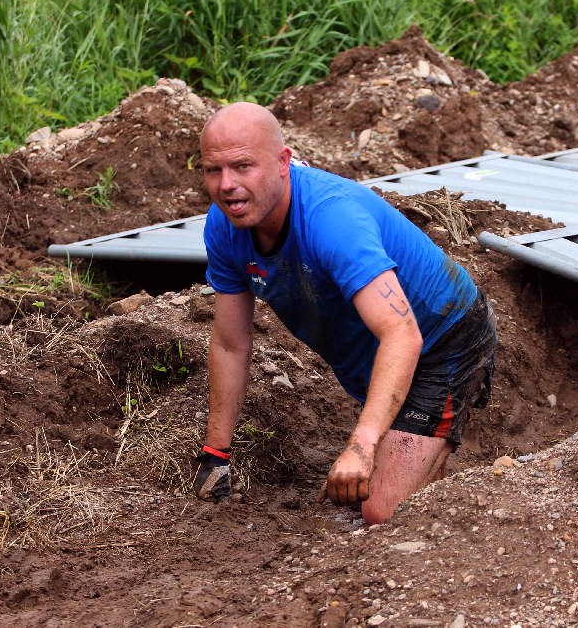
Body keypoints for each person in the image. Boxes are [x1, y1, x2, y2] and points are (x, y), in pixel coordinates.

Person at [193, 102, 497, 525]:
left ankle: (448, 498)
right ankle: (423, 472)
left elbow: (402, 335)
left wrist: (362, 445)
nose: (227, 185)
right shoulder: (224, 227)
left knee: (379, 512)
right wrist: (215, 454)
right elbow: (230, 343)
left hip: (441, 336)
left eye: (244, 166)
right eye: (213, 170)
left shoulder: (331, 219)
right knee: (382, 489)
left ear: (283, 161)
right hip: (374, 353)